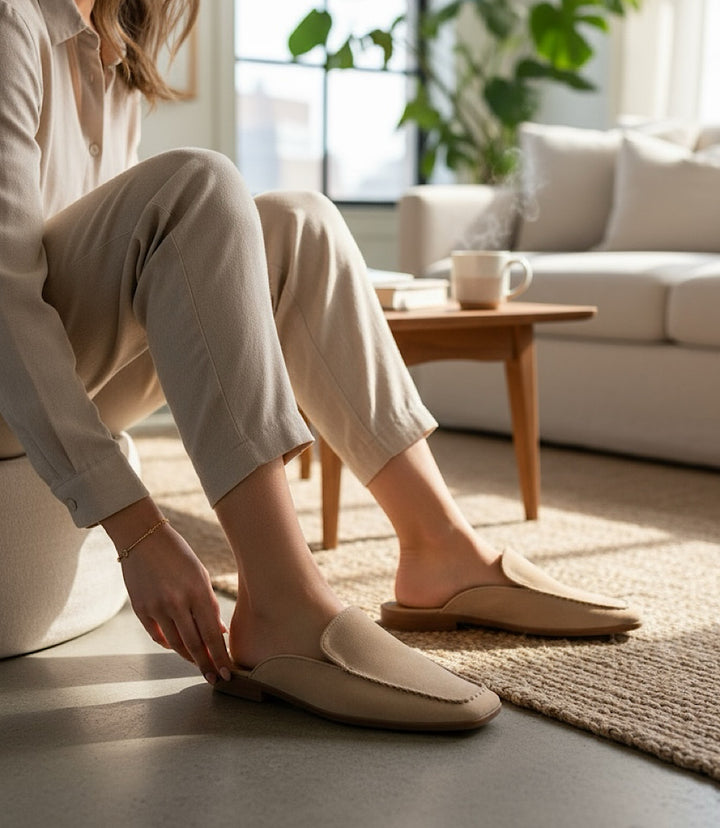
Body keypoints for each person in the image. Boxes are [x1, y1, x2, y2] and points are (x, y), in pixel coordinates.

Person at [0, 0, 640, 731]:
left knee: (300, 220)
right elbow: (7, 305)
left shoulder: (111, 48)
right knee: (196, 186)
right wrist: (137, 528)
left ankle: (439, 549)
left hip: (72, 370)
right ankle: (283, 602)